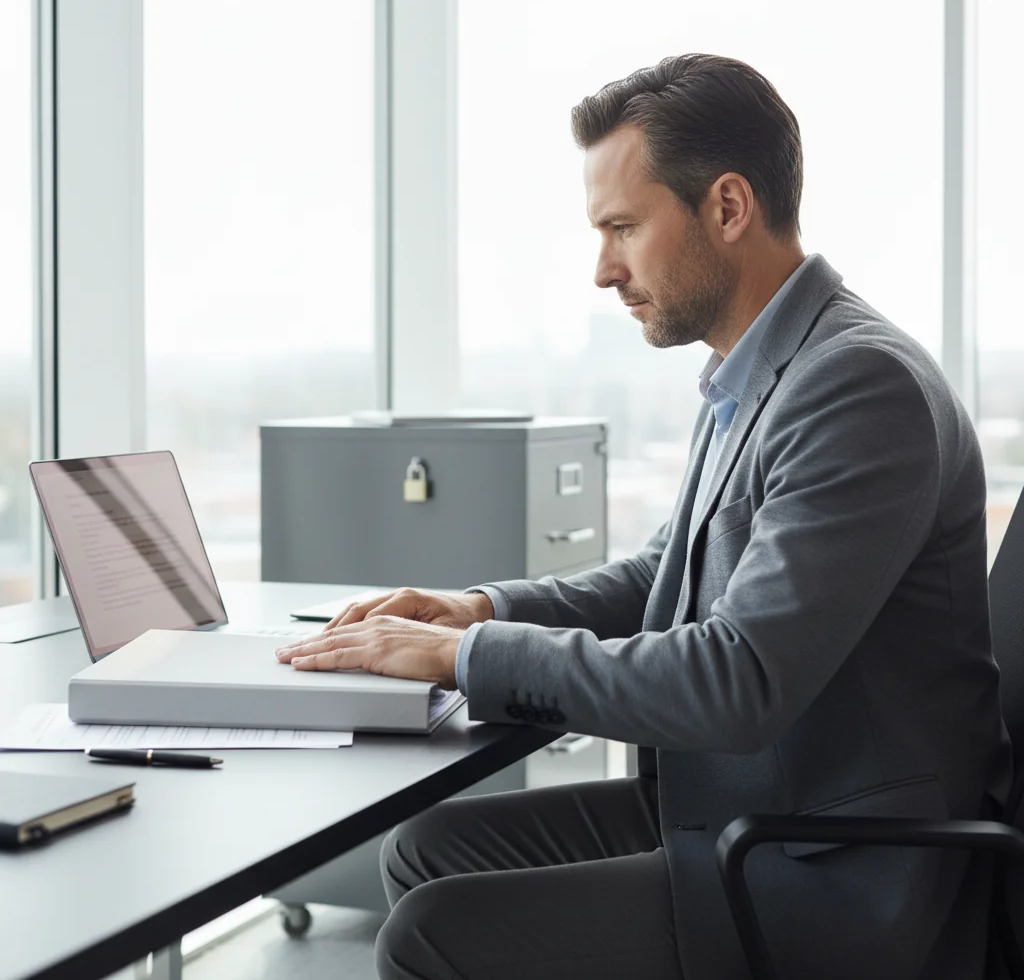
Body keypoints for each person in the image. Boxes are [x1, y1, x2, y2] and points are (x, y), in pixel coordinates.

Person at [275, 54, 1011, 980]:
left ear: (728, 207)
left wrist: (464, 663)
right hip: (752, 813)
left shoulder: (858, 388)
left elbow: (738, 677)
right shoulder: (757, 372)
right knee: (423, 850)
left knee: (433, 934)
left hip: (841, 868)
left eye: (623, 227)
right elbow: (657, 583)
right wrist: (481, 612)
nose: (601, 269)